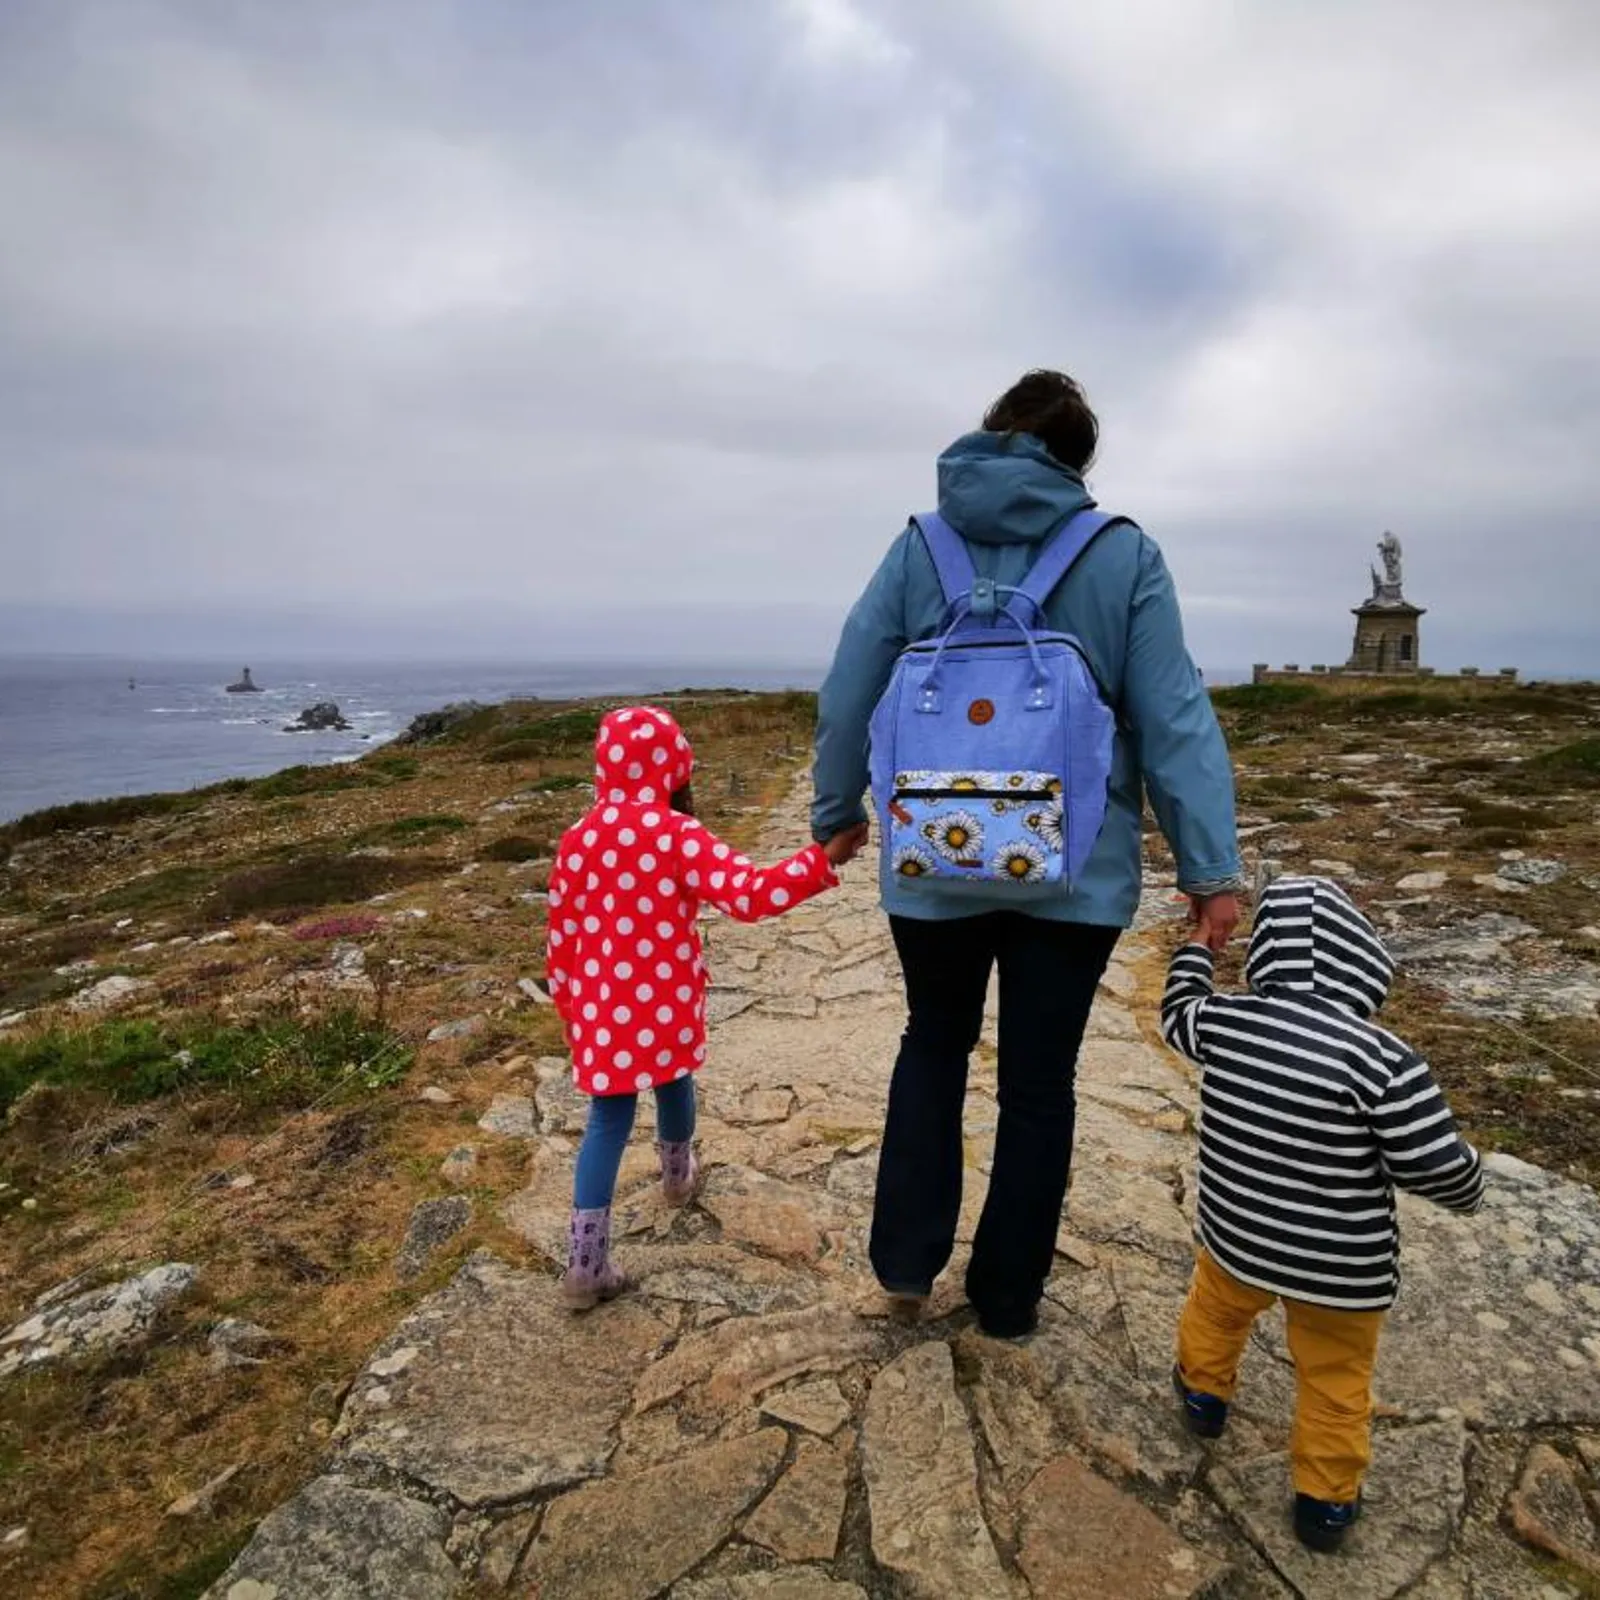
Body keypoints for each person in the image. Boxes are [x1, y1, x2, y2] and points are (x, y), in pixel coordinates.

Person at [810, 369, 1242, 1338]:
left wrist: (836, 810)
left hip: (932, 863)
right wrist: (1209, 870)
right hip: (1075, 875)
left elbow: (848, 685)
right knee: (1039, 1083)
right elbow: (1173, 716)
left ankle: (905, 1262)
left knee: (933, 1042)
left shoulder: (920, 546)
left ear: (992, 437)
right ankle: (1005, 1298)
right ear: (1077, 462)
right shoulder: (1121, 554)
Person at [1161, 875, 1485, 1553]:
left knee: (1214, 1315)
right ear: (1362, 958)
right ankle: (1324, 1502)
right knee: (1335, 1379)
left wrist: (1199, 944)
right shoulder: (1383, 1059)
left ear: (1266, 952)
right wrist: (1472, 1185)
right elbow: (1434, 1164)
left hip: (1236, 1240)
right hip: (1339, 1268)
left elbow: (1177, 1011)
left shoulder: (1224, 1020)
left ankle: (1202, 1397)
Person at [546, 706, 862, 1310]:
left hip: (600, 1006)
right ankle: (677, 1178)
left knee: (607, 1119)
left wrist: (568, 1003)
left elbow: (561, 932)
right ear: (675, 768)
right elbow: (751, 894)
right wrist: (821, 860)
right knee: (674, 1079)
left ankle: (585, 1265)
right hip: (665, 1002)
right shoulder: (677, 834)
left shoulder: (578, 838)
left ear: (605, 764)